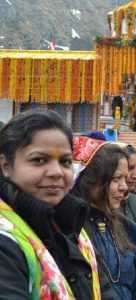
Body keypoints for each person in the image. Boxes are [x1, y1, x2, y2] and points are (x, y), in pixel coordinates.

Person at [0, 110, 100, 299]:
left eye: (65, 161)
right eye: (39, 160)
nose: (56, 172)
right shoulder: (5, 239)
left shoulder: (74, 226)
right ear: (6, 166)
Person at [72, 142, 136, 300]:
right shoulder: (68, 232)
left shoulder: (130, 230)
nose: (124, 187)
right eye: (116, 179)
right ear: (89, 180)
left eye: (125, 179)